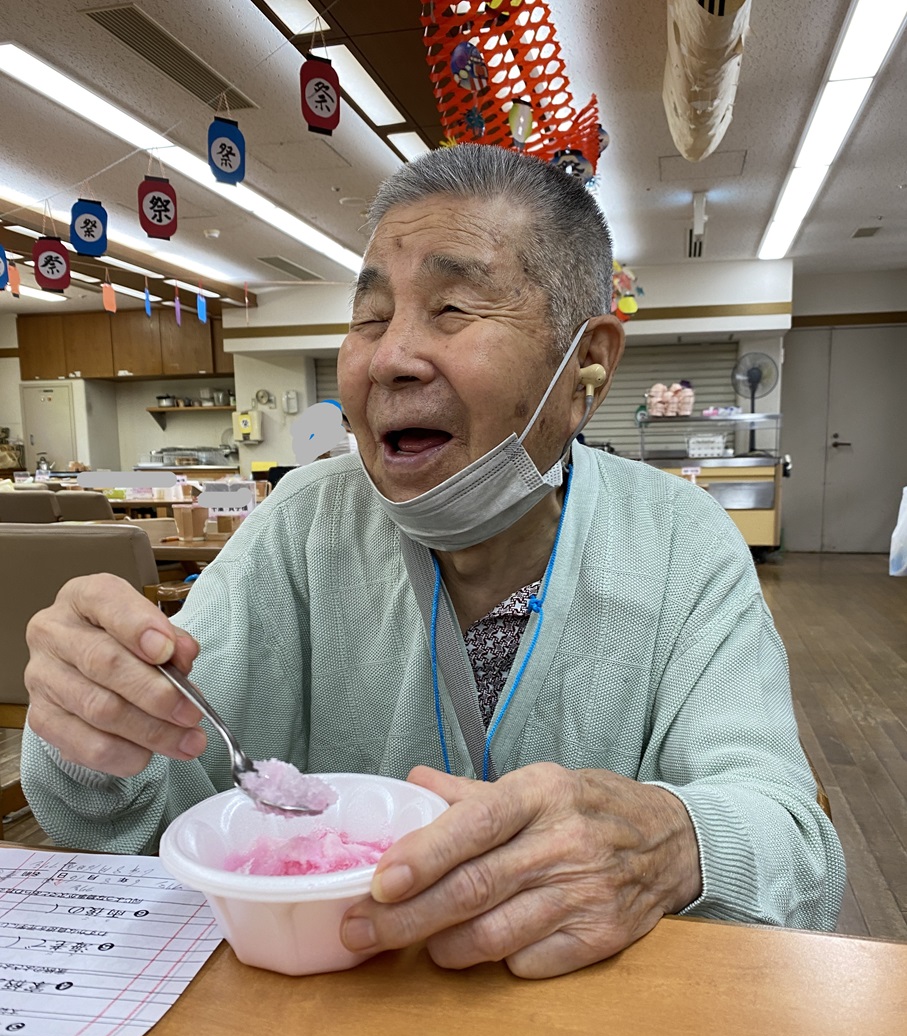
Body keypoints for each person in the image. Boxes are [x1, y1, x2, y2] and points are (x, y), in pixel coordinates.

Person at [21, 145, 845, 979]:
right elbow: (146, 811)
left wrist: (670, 841)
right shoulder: (302, 526)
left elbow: (794, 846)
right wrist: (95, 726)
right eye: (370, 318)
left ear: (585, 367)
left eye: (452, 306)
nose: (389, 358)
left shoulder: (681, 542)